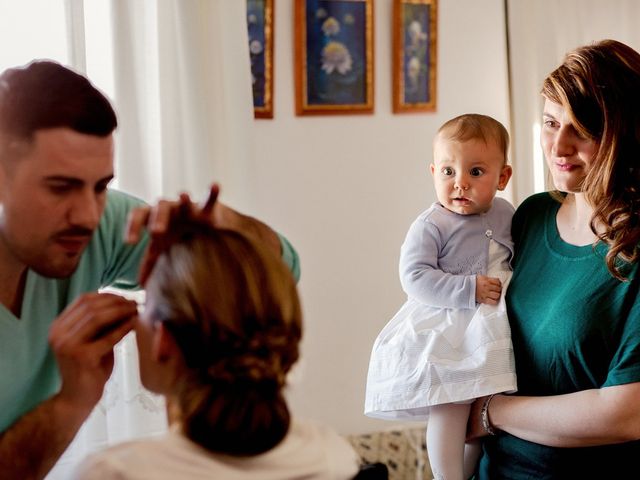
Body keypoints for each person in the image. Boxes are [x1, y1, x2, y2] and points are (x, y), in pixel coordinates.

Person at [0, 59, 300, 479]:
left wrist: (222, 227)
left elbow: (277, 269)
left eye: (101, 186)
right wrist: (72, 402)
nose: (88, 215)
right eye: (60, 187)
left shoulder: (97, 225)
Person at [71, 212, 360, 479]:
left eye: (145, 304)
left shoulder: (116, 473)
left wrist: (72, 398)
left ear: (164, 340)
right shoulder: (332, 455)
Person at [467, 39, 640, 479]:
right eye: (550, 122)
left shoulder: (634, 252)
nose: (558, 146)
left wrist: (492, 412)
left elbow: (624, 414)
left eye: (580, 129)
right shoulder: (530, 216)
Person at [365, 114, 517, 480]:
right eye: (448, 172)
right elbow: (414, 277)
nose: (460, 183)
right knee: (450, 403)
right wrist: (468, 289)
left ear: (502, 177)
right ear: (433, 172)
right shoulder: (432, 224)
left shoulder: (505, 213)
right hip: (448, 324)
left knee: (481, 407)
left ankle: (466, 474)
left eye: (475, 172)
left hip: (489, 326)